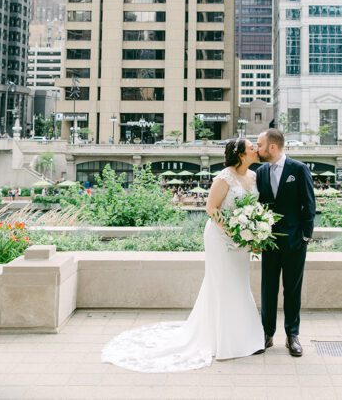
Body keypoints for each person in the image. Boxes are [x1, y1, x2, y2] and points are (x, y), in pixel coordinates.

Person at [102, 139, 265, 372]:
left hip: (242, 240)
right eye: (251, 147)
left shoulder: (254, 176)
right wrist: (235, 231)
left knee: (239, 283)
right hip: (221, 238)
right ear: (240, 154)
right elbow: (211, 209)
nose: (255, 150)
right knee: (221, 284)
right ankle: (222, 341)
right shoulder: (224, 178)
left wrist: (251, 233)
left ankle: (245, 338)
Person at [255, 128, 316, 357]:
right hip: (268, 242)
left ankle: (292, 335)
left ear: (272, 146)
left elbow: (309, 206)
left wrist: (305, 237)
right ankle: (266, 334)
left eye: (259, 145)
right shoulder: (260, 172)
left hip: (294, 243)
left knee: (292, 289)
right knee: (267, 289)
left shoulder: (298, 169)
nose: (257, 149)